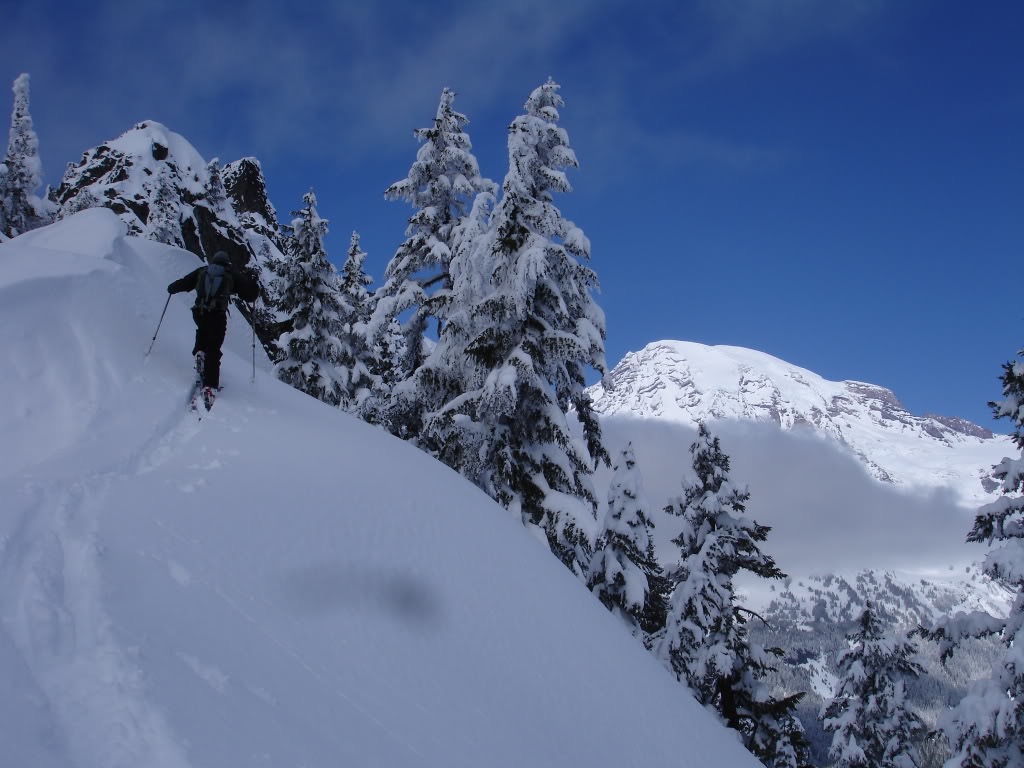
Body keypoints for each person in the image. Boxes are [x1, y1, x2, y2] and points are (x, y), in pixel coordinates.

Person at [167, 251, 259, 401]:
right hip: (217, 314)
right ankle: (210, 386)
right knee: (214, 347)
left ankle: (200, 353)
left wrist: (172, 288)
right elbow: (249, 295)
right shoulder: (230, 275)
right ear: (226, 262)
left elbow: (184, 283)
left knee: (203, 332)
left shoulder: (202, 271)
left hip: (199, 312)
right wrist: (255, 288)